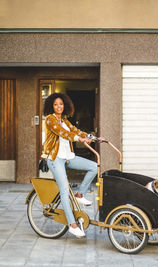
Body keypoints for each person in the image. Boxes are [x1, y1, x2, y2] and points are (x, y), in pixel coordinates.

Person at [42, 92, 103, 238]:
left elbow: (75, 130)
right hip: (55, 159)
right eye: (56, 104)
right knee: (64, 190)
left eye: (61, 104)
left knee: (94, 167)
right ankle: (72, 225)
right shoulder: (50, 120)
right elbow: (63, 133)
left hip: (68, 157)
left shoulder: (64, 119)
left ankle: (80, 193)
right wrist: (78, 139)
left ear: (65, 105)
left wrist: (92, 137)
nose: (59, 107)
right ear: (51, 106)